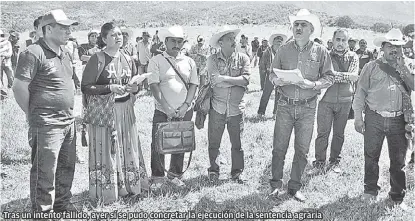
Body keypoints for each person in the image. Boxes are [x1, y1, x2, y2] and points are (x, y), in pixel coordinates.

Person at [13, 9, 79, 212]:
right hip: (46, 124)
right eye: (63, 27)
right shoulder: (33, 52)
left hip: (68, 121)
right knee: (45, 171)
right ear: (48, 29)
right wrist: (32, 113)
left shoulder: (65, 52)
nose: (68, 31)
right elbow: (18, 87)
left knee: (66, 168)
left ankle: (62, 205)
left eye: (69, 27)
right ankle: (42, 211)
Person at [268, 9, 334, 202]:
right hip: (285, 105)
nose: (298, 27)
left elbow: (329, 77)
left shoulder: (321, 51)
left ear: (311, 29)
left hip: (307, 107)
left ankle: (294, 186)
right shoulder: (283, 49)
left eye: (303, 25)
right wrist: (275, 81)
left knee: (302, 149)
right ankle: (275, 185)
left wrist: (312, 84)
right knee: (279, 147)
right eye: (296, 24)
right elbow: (271, 73)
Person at [81, 22, 149, 204]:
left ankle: (129, 185)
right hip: (105, 112)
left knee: (127, 147)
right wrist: (109, 87)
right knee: (108, 149)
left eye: (120, 34)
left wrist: (135, 87)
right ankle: (108, 190)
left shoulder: (128, 58)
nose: (118, 37)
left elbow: (134, 85)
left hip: (126, 110)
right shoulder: (97, 59)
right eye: (113, 35)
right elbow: (86, 87)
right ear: (104, 39)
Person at [353, 29, 414, 209]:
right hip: (374, 117)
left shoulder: (407, 66)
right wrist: (357, 116)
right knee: (371, 156)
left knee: (398, 160)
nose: (394, 50)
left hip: (398, 119)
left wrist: (402, 67)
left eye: (398, 46)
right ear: (383, 48)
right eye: (390, 46)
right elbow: (360, 92)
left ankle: (397, 195)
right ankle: (370, 190)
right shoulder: (371, 67)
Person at [147, 25, 199, 188]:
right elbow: (154, 85)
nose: (177, 44)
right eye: (173, 41)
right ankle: (157, 177)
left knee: (181, 142)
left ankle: (175, 174)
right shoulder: (156, 60)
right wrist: (167, 107)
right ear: (166, 41)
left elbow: (193, 85)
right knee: (158, 143)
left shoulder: (189, 61)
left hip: (185, 110)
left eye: (180, 41)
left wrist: (186, 105)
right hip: (163, 109)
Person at [310, 29, 359, 174]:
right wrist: (340, 76)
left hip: (345, 101)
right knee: (322, 133)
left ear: (348, 42)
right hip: (326, 100)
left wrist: (332, 76)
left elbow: (353, 77)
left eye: (344, 40)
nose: (340, 43)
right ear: (332, 39)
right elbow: (321, 75)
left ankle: (334, 162)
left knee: (339, 133)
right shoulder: (325, 55)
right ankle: (319, 163)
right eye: (338, 39)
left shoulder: (353, 56)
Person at [207, 26, 250, 184]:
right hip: (217, 108)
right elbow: (213, 81)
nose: (234, 41)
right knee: (214, 142)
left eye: (234, 38)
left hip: (236, 109)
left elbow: (246, 80)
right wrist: (235, 81)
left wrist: (223, 79)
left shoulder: (243, 58)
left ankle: (237, 172)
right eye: (230, 39)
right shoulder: (212, 59)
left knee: (237, 143)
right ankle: (213, 170)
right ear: (221, 42)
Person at [257, 33, 287, 118]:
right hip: (270, 75)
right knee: (266, 94)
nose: (279, 42)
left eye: (280, 41)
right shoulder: (268, 51)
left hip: (280, 76)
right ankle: (261, 112)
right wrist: (264, 72)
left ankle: (275, 113)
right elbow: (263, 63)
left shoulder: (283, 51)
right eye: (277, 40)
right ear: (273, 42)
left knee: (279, 95)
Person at [0, 30, 11, 99]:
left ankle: (10, 89)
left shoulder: (7, 43)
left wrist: (3, 54)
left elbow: (10, 53)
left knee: (10, 77)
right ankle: (3, 94)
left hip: (7, 63)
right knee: (1, 80)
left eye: (1, 35)